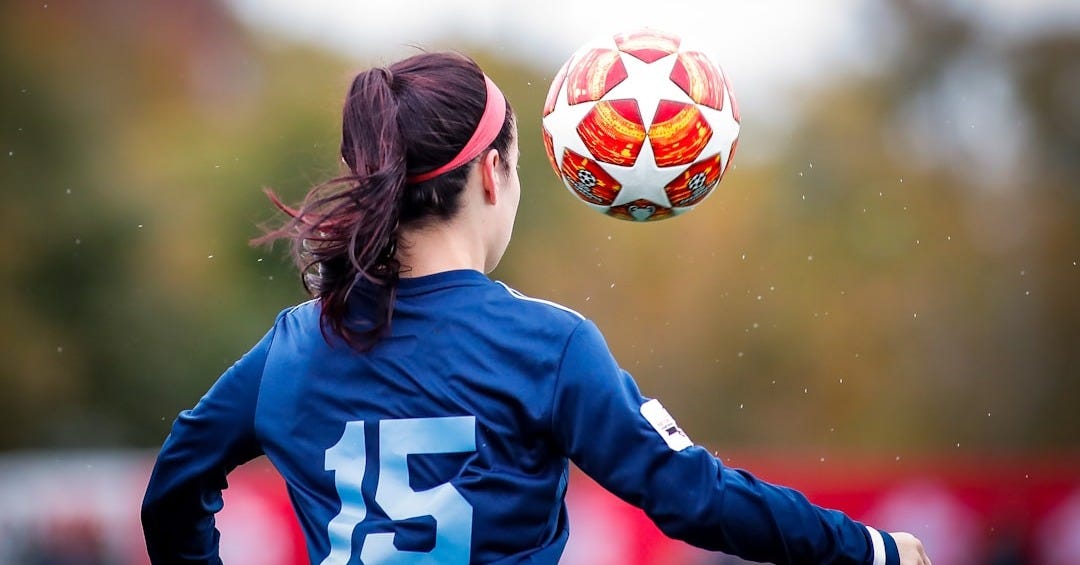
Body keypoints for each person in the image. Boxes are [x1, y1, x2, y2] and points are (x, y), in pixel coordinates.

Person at [141, 51, 932, 565]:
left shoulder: (294, 346)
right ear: (492, 175)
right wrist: (866, 549)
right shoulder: (545, 346)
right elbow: (693, 495)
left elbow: (173, 485)